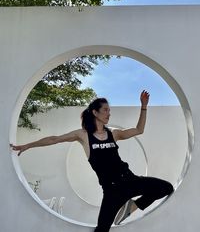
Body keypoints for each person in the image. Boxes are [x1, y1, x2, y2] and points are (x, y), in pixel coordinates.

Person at [10, 90, 174, 232]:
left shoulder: (113, 134)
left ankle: (132, 207)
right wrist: (27, 145)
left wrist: (143, 106)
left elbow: (139, 130)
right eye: (105, 110)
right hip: (112, 191)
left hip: (130, 180)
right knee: (102, 229)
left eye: (109, 110)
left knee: (166, 187)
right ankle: (125, 206)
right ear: (95, 113)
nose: (109, 113)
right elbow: (55, 139)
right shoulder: (83, 135)